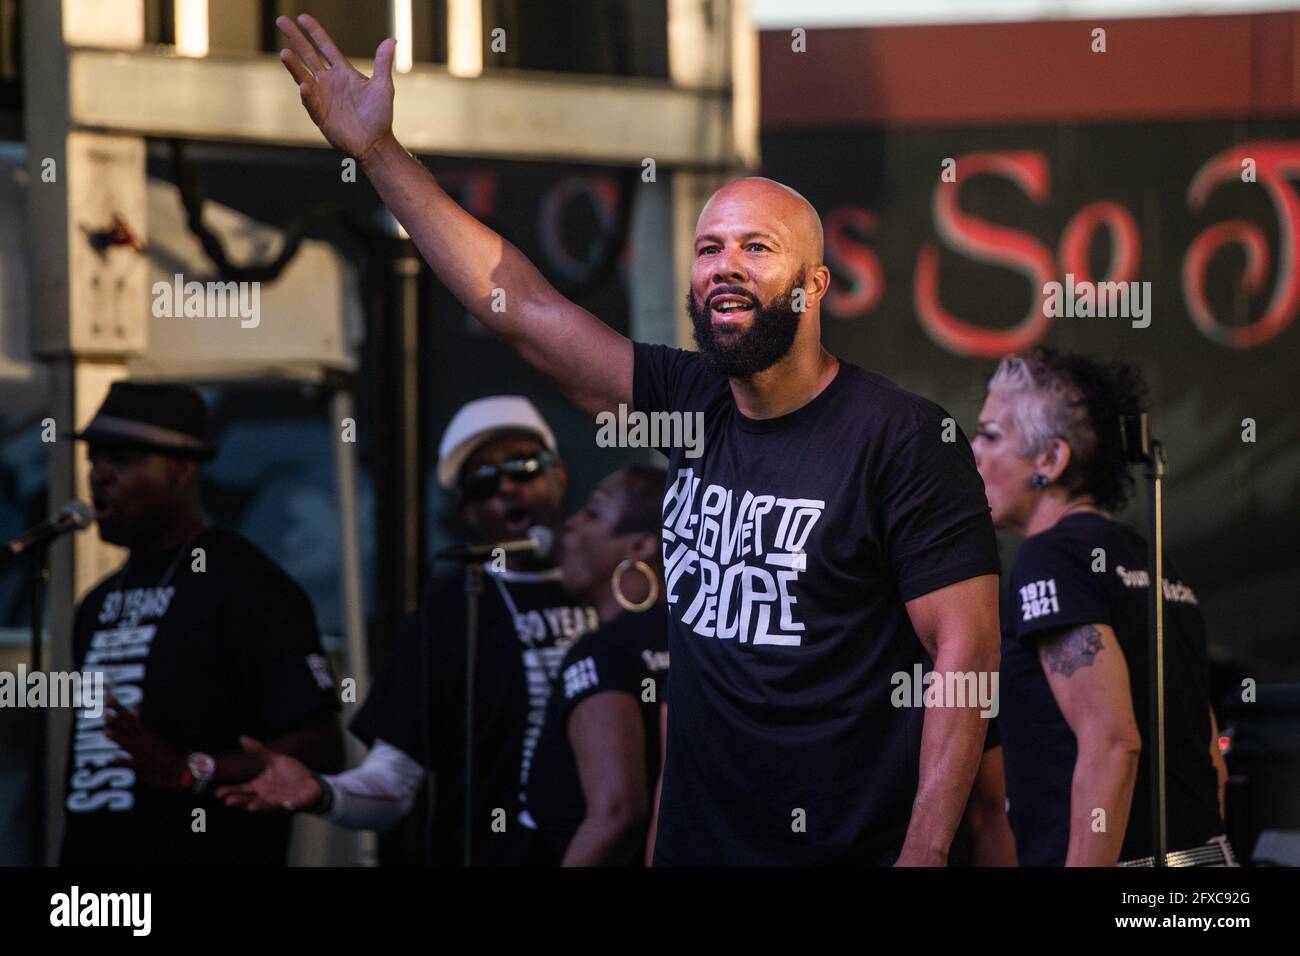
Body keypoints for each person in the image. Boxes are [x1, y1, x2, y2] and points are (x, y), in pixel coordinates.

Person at [274, 14, 1001, 865]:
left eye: (756, 248)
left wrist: (923, 854)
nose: (725, 264)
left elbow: (968, 653)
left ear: (814, 284)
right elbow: (526, 312)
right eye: (708, 248)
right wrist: (379, 154)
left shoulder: (900, 437)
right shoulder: (690, 404)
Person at [220, 396, 598, 866]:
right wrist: (323, 793)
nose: (506, 486)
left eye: (523, 466)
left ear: (558, 475)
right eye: (482, 481)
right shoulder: (454, 609)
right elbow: (393, 783)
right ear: (466, 509)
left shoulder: (620, 591)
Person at [60, 382, 342, 866]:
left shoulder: (247, 585)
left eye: (123, 460)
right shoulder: (97, 603)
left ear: (182, 471)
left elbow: (320, 744)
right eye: (94, 460)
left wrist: (192, 770)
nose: (99, 476)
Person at [971, 348, 1232, 866]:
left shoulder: (1052, 558)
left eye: (991, 435)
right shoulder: (1154, 561)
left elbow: (1114, 742)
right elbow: (1210, 758)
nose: (974, 451)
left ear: (1050, 460)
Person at [524, 466, 669, 865]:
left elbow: (616, 815)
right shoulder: (695, 641)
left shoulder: (602, 652)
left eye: (592, 512)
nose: (570, 523)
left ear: (640, 546)